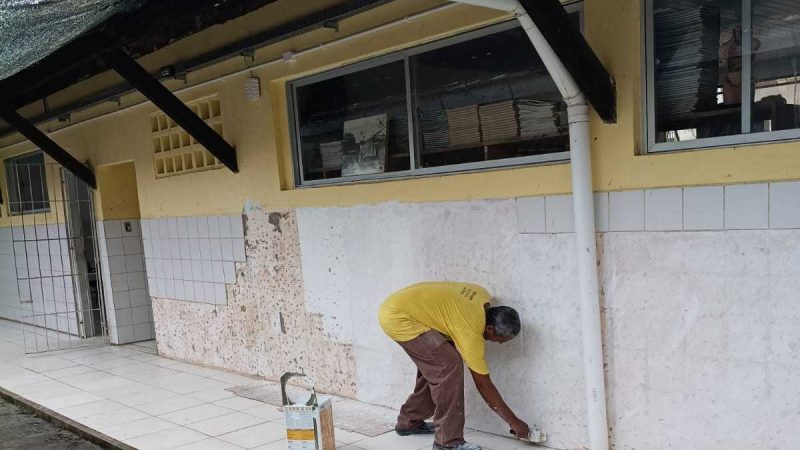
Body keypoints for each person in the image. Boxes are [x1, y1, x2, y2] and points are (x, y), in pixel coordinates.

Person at [378, 282, 529, 450]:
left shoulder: (482, 295)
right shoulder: (470, 331)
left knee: (438, 364)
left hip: (401, 306)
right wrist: (514, 422)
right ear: (489, 328)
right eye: (500, 339)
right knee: (447, 366)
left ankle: (410, 421)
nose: (499, 343)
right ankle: (448, 441)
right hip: (399, 318)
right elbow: (483, 384)